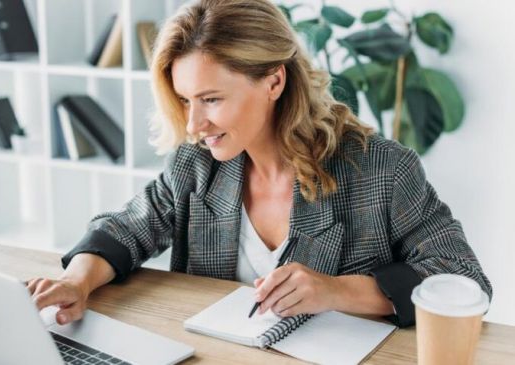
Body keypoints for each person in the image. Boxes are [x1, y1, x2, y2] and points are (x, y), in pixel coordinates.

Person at [28, 0, 491, 329]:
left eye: (211, 99)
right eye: (186, 100)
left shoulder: (382, 170)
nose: (193, 123)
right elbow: (125, 228)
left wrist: (334, 290)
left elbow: (464, 280)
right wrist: (75, 281)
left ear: (273, 81)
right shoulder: (197, 165)